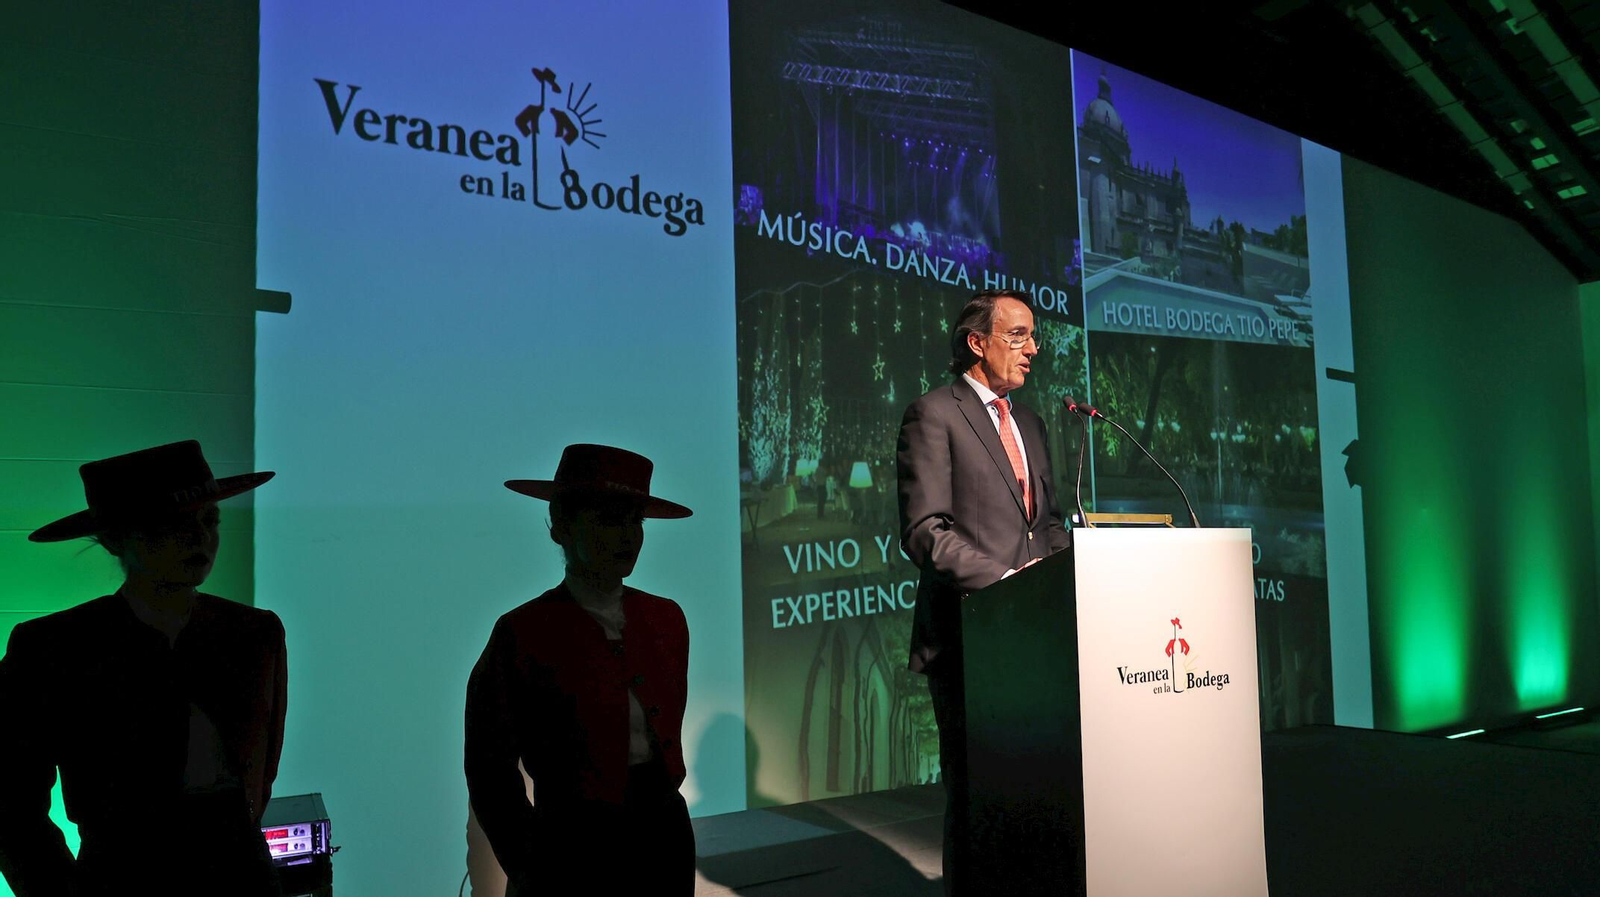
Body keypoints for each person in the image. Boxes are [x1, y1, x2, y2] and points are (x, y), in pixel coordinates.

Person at [0, 440, 287, 897]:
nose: (200, 537)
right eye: (173, 524)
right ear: (116, 537)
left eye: (209, 520)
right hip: (119, 879)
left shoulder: (256, 634)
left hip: (245, 878)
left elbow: (259, 775)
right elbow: (9, 802)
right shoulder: (52, 647)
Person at [896, 290, 1073, 895]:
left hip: (1036, 641)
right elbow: (925, 531)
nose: (1034, 349)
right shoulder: (934, 413)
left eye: (1033, 336)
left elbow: (1045, 524)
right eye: (1019, 335)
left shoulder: (1030, 421)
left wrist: (1057, 582)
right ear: (978, 342)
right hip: (971, 639)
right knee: (977, 801)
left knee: (1037, 796)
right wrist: (1005, 586)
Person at [465, 444, 695, 896]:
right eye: (610, 519)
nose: (628, 536)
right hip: (569, 852)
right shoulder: (522, 632)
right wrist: (531, 863)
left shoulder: (666, 620)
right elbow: (488, 767)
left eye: (635, 521)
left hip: (662, 842)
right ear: (562, 527)